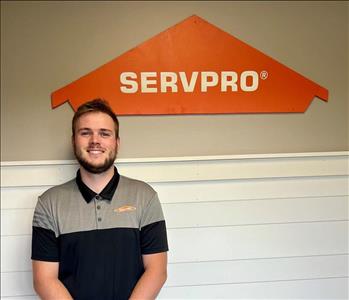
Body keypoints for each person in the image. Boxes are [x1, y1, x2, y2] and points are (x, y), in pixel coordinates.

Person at [31, 99, 168, 300]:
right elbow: (44, 279)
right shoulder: (49, 203)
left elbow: (156, 271)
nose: (95, 140)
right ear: (73, 141)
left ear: (117, 143)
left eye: (104, 133)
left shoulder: (145, 197)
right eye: (85, 132)